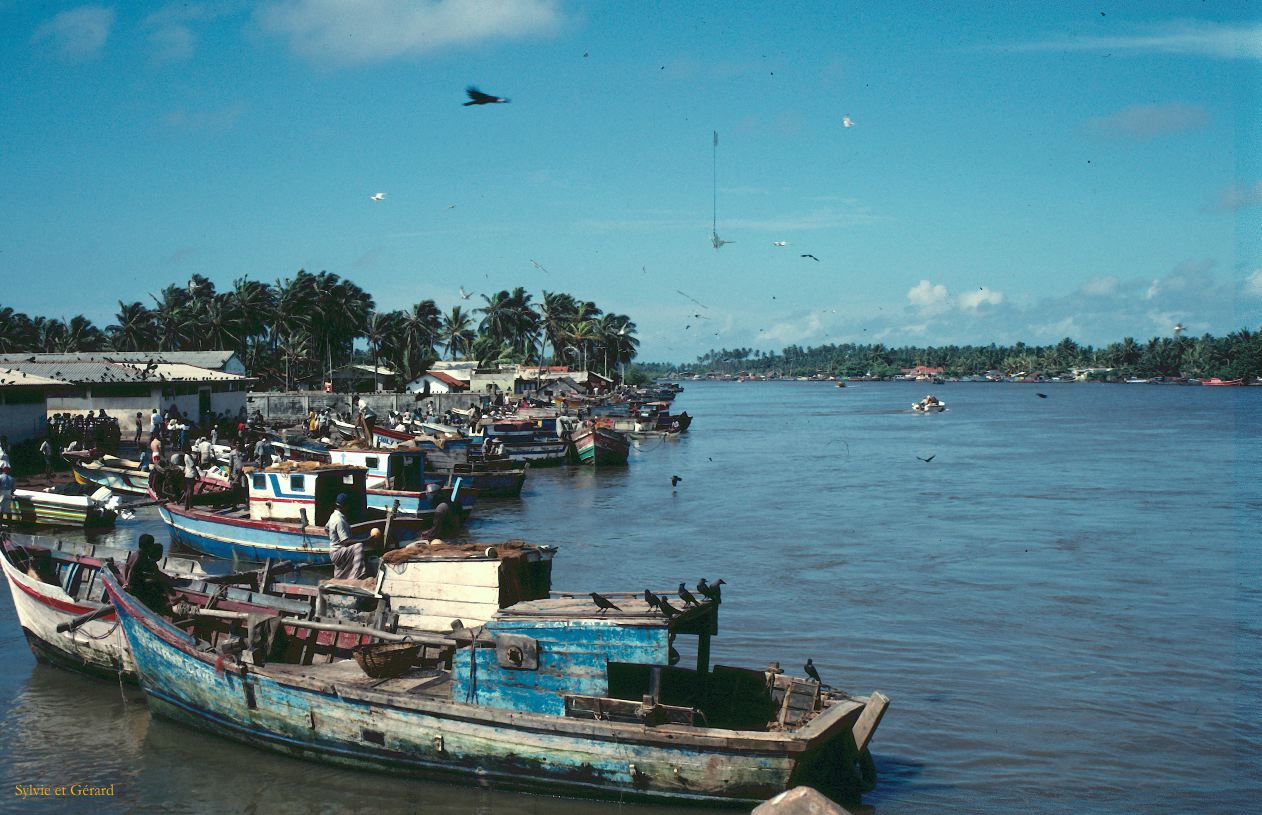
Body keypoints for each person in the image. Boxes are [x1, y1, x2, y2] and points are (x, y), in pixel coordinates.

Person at [125, 534, 175, 614]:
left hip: (138, 580)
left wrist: (126, 580)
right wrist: (127, 583)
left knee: (158, 579)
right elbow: (131, 569)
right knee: (159, 582)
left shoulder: (139, 554)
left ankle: (169, 598)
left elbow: (127, 567)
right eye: (152, 545)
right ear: (148, 546)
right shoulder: (140, 556)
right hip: (136, 583)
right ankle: (168, 599)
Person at [327, 493, 370, 580]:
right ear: (345, 506)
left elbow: (326, 528)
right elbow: (345, 542)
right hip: (337, 553)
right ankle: (358, 575)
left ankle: (342, 577)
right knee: (359, 546)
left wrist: (334, 539)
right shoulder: (340, 520)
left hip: (334, 551)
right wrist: (365, 540)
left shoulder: (333, 516)